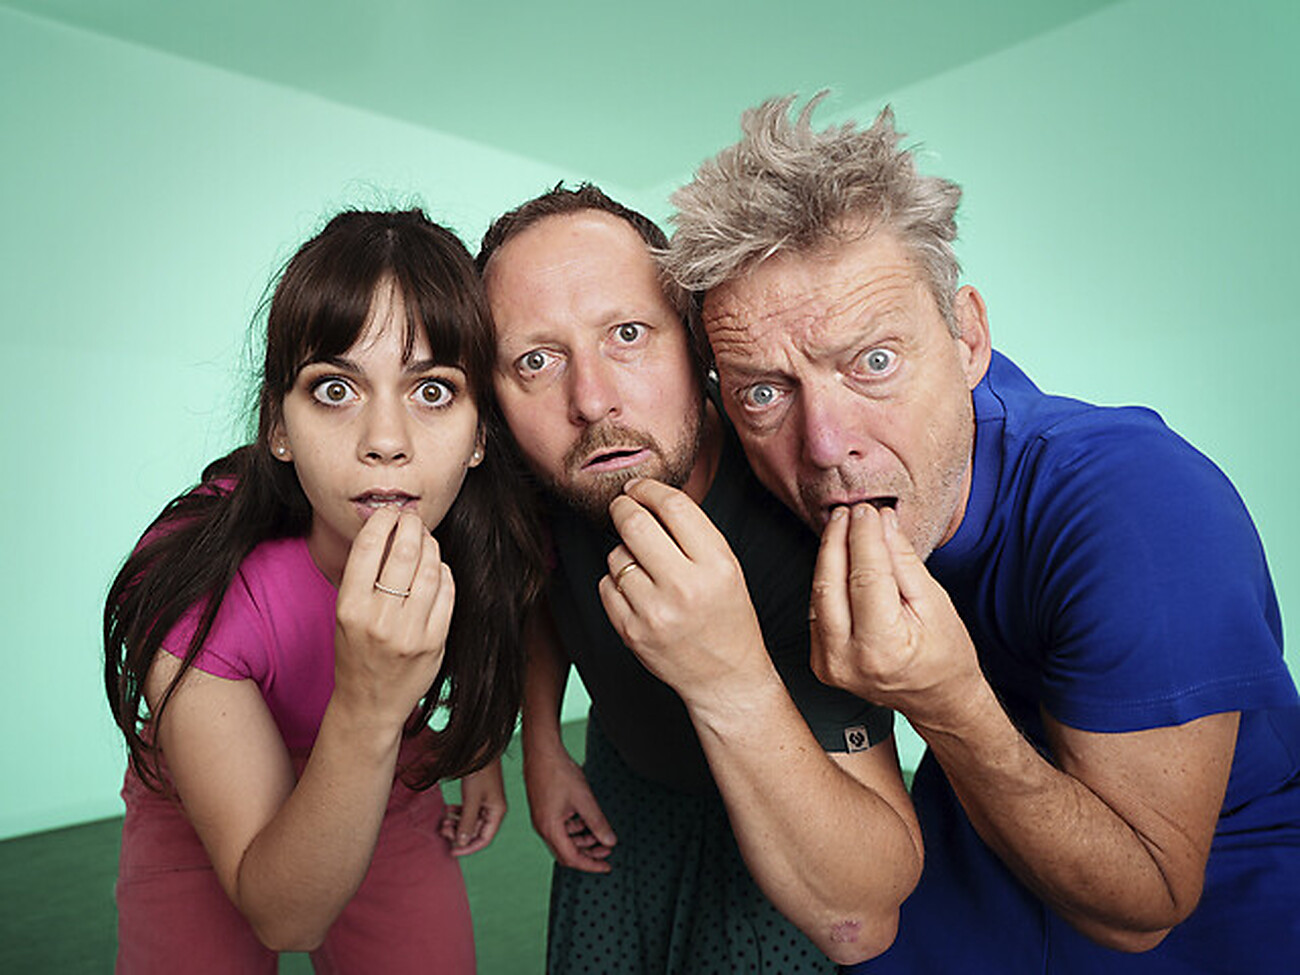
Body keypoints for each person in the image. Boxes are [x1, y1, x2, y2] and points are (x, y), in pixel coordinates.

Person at [658, 93, 1300, 972]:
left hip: (1209, 882)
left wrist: (945, 700)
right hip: (976, 834)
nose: (826, 444)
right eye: (765, 391)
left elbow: (1147, 905)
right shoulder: (774, 478)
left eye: (874, 361)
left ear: (967, 338)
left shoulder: (1142, 505)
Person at [476, 184, 923, 972]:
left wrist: (729, 672)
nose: (592, 401)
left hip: (784, 810)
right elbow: (542, 587)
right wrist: (543, 742)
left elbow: (866, 913)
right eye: (536, 361)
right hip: (624, 783)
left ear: (696, 342)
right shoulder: (549, 470)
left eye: (627, 334)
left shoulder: (799, 520)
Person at [104, 208, 543, 974]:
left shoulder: (487, 533)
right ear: (278, 425)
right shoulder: (196, 591)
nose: (386, 440)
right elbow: (287, 917)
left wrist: (478, 749)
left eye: (433, 390)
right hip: (197, 808)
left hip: (392, 777)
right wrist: (369, 704)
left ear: (480, 433)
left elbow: (506, 620)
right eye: (336, 388)